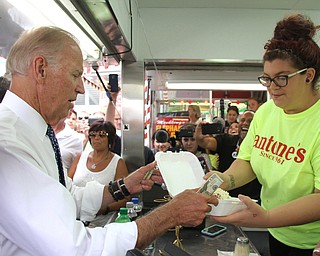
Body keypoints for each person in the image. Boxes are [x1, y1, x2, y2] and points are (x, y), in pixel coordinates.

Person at [0, 26, 218, 255]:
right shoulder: (9, 144)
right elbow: (76, 249)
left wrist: (125, 185)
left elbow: (71, 196)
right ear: (41, 69)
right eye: (75, 75)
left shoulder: (34, 133)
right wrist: (169, 214)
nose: (81, 88)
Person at [208, 13, 320, 256]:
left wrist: (267, 217)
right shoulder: (267, 111)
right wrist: (224, 181)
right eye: (267, 79)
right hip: (277, 231)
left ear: (309, 75)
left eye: (281, 79)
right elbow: (248, 160)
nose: (272, 88)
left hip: (312, 242)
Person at [69, 120, 129, 225]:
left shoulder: (117, 162)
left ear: (109, 139)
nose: (96, 138)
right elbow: (67, 185)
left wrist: (105, 209)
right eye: (93, 135)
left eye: (102, 135)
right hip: (75, 219)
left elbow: (125, 197)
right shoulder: (80, 157)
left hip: (103, 222)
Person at [195, 110, 261, 201]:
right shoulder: (227, 140)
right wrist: (198, 137)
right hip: (224, 199)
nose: (245, 123)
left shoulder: (262, 148)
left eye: (250, 121)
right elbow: (205, 143)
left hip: (252, 200)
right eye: (242, 120)